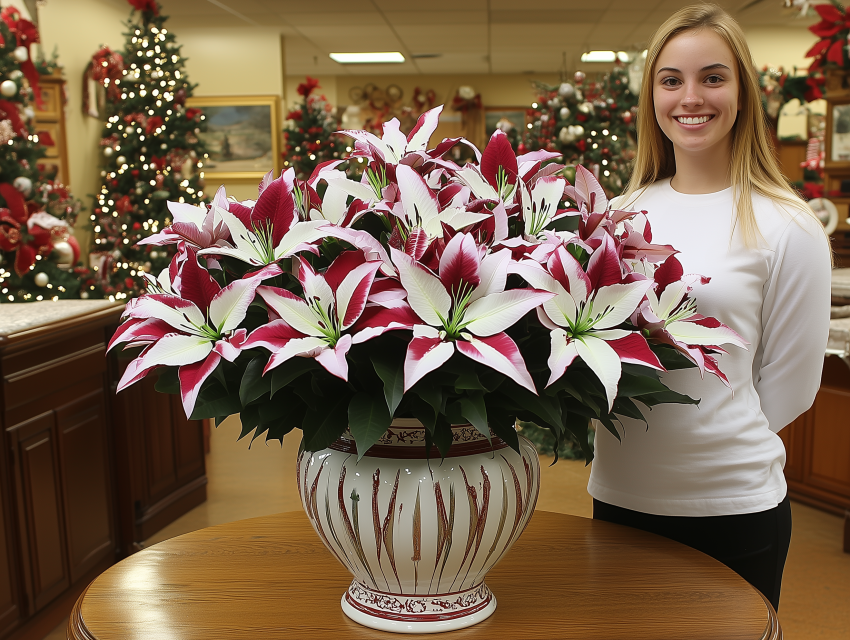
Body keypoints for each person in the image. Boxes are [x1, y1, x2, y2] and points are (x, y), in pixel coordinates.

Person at [587, 3, 832, 612]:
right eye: (671, 80)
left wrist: (709, 439)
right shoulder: (619, 215)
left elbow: (793, 383)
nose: (690, 97)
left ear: (742, 92)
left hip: (733, 507)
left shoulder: (787, 224)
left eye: (713, 78)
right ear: (652, 97)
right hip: (619, 495)